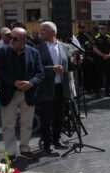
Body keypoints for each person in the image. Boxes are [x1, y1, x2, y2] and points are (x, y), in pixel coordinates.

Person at [0, 27, 44, 161]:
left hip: (28, 93)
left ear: (24, 40)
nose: (11, 41)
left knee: (27, 123)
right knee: (8, 125)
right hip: (9, 93)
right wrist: (14, 82)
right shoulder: (2, 51)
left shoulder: (34, 52)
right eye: (10, 37)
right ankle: (10, 152)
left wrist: (31, 83)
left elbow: (40, 73)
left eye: (15, 39)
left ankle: (25, 148)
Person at [35, 21, 74, 157]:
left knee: (59, 117)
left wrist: (77, 62)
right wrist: (52, 69)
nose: (41, 32)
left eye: (43, 30)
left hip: (61, 88)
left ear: (53, 31)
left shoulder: (64, 47)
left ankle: (57, 140)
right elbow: (36, 69)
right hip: (46, 88)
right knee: (46, 119)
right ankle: (47, 145)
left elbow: (69, 66)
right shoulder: (38, 48)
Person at [93, 24, 110, 97]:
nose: (103, 30)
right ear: (99, 30)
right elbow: (94, 48)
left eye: (104, 29)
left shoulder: (109, 37)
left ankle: (108, 92)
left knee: (109, 75)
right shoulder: (95, 37)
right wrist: (102, 55)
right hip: (99, 59)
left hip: (108, 59)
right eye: (101, 29)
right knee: (98, 75)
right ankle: (97, 92)